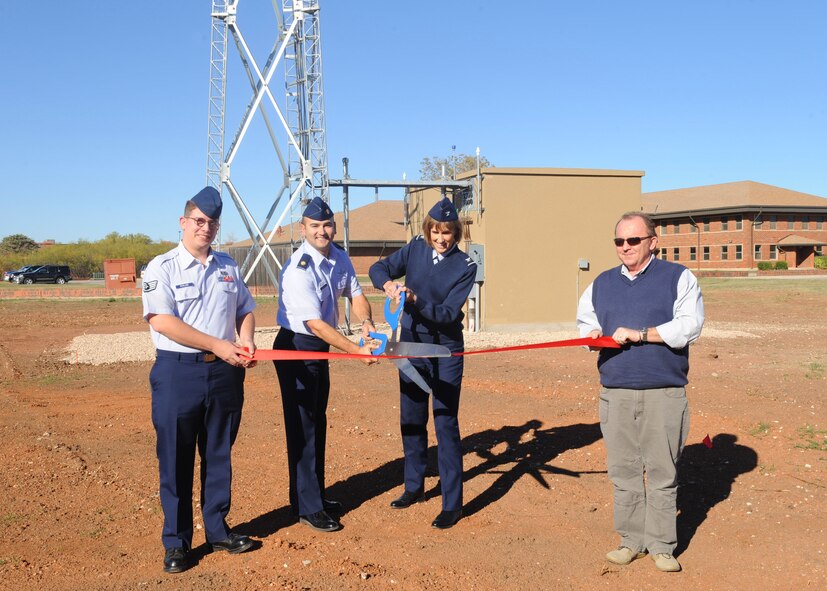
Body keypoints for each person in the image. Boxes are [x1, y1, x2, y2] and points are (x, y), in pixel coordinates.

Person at [576, 211, 704, 573]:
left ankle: (662, 545)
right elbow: (587, 325)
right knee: (623, 472)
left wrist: (640, 334)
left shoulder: (679, 277)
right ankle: (630, 541)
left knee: (662, 472)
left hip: (664, 392)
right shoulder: (600, 284)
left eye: (633, 240)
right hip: (615, 393)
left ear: (653, 241)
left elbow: (690, 325)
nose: (625, 247)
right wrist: (591, 338)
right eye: (619, 241)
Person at [142, 186, 258, 574]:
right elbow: (163, 321)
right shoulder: (162, 267)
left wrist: (245, 339)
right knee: (175, 458)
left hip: (225, 374)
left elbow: (244, 309)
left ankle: (218, 529)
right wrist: (218, 344)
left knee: (219, 453)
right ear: (184, 222)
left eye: (211, 223)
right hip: (178, 372)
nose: (205, 228)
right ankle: (176, 542)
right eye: (198, 221)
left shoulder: (228, 266)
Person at [369, 196, 477, 529]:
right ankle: (414, 487)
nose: (441, 238)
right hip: (411, 347)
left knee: (445, 423)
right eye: (435, 231)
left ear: (455, 232)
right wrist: (387, 284)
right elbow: (379, 268)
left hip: (445, 351)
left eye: (447, 232)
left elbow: (447, 314)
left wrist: (414, 299)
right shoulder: (415, 247)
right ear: (427, 230)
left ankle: (451, 504)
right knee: (411, 418)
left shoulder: (466, 266)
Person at [273, 196, 378, 533]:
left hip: (322, 346)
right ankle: (308, 507)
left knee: (317, 421)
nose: (322, 231)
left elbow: (357, 294)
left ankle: (311, 495)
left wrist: (368, 324)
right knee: (302, 425)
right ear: (303, 229)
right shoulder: (298, 269)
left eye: (327, 225)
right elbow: (315, 324)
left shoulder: (339, 258)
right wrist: (355, 350)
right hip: (298, 347)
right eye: (315, 226)